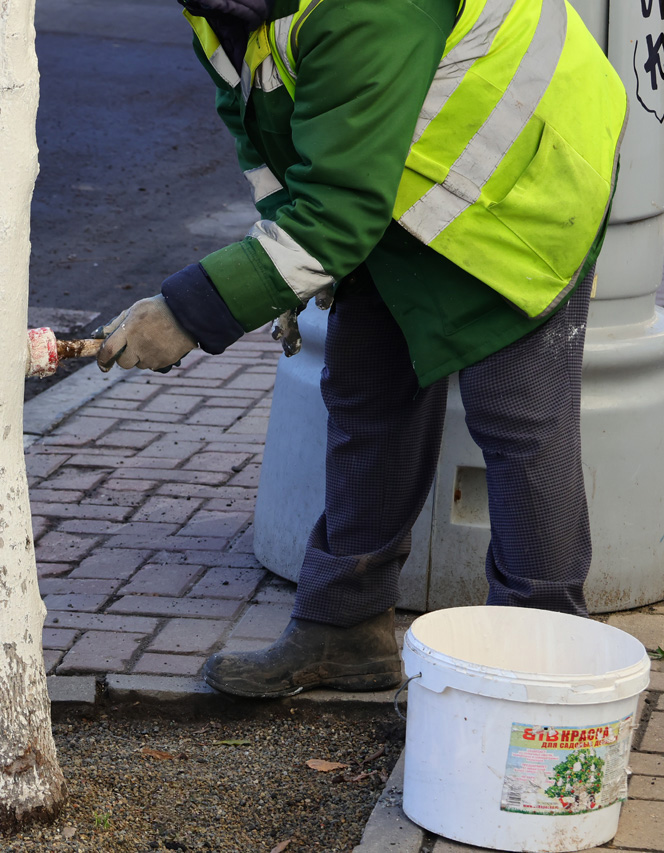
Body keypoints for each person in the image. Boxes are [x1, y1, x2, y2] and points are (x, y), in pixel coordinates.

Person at [94, 0, 626, 698]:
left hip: (527, 179)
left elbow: (338, 216)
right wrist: (283, 262)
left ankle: (539, 658)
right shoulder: (219, 9)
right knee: (366, 390)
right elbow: (262, 132)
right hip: (399, 176)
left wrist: (191, 310)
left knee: (516, 414)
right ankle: (343, 630)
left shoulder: (370, 6)